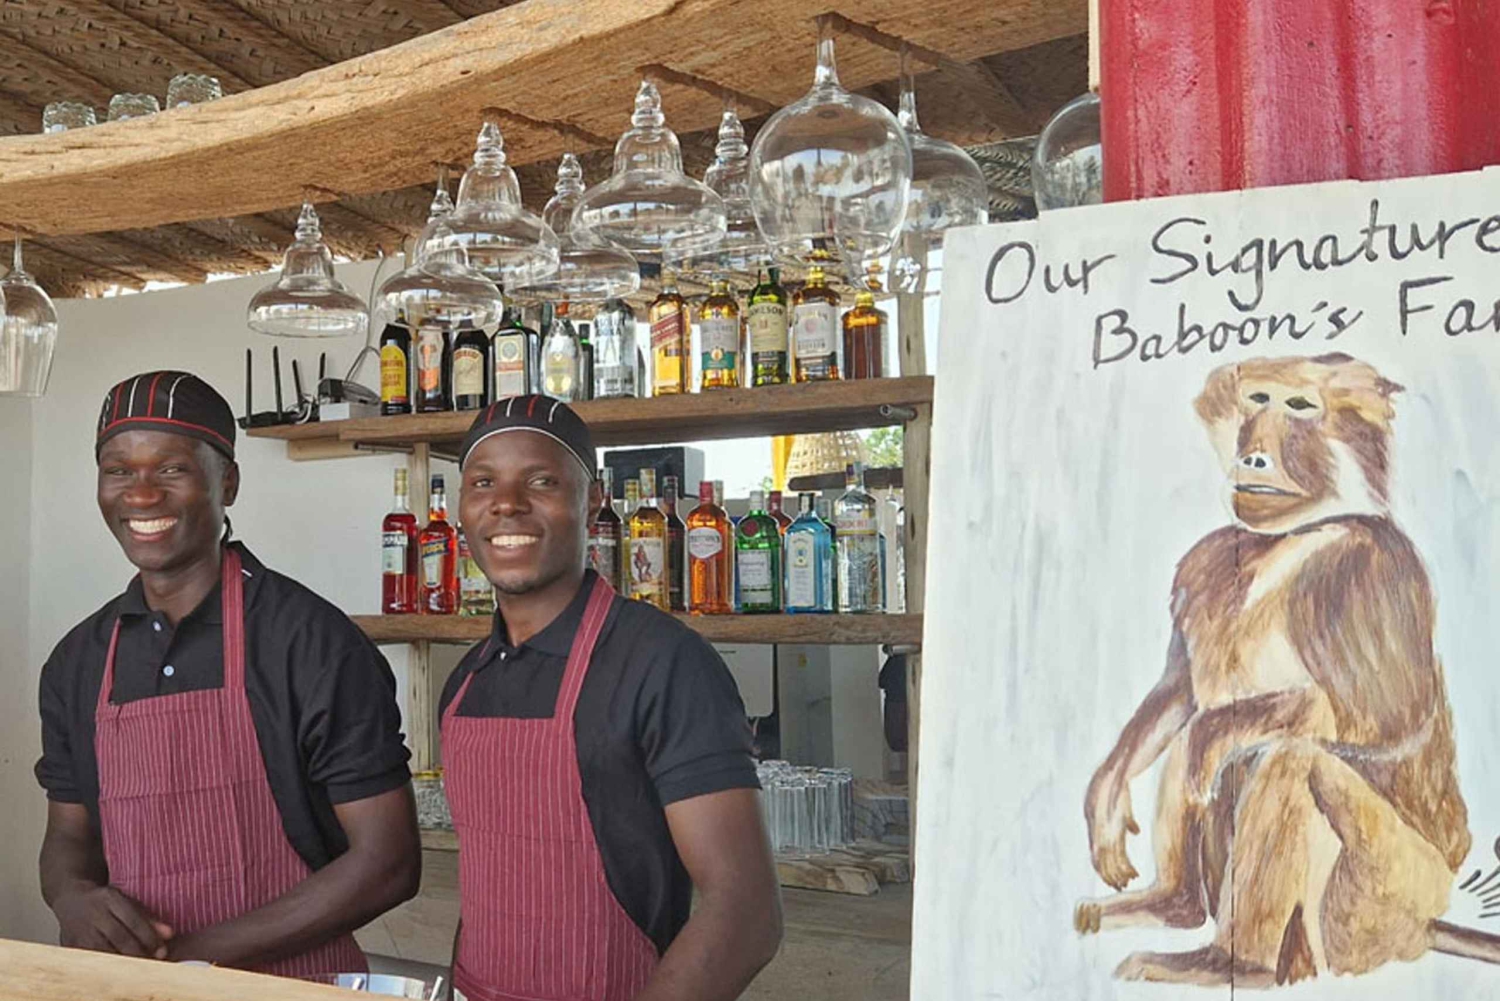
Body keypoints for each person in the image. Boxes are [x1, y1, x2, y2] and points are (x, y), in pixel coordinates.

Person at [36, 371, 420, 975]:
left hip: (292, 985)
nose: (141, 494)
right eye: (118, 470)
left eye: (171, 469)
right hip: (136, 987)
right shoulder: (77, 660)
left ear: (229, 483)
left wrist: (190, 962)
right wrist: (70, 896)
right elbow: (67, 835)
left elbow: (388, 863)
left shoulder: (311, 642)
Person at [442, 395, 783, 1001]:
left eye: (541, 481)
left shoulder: (663, 663)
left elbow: (746, 912)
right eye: (483, 483)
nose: (507, 503)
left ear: (593, 499)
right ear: (461, 507)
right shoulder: (466, 681)